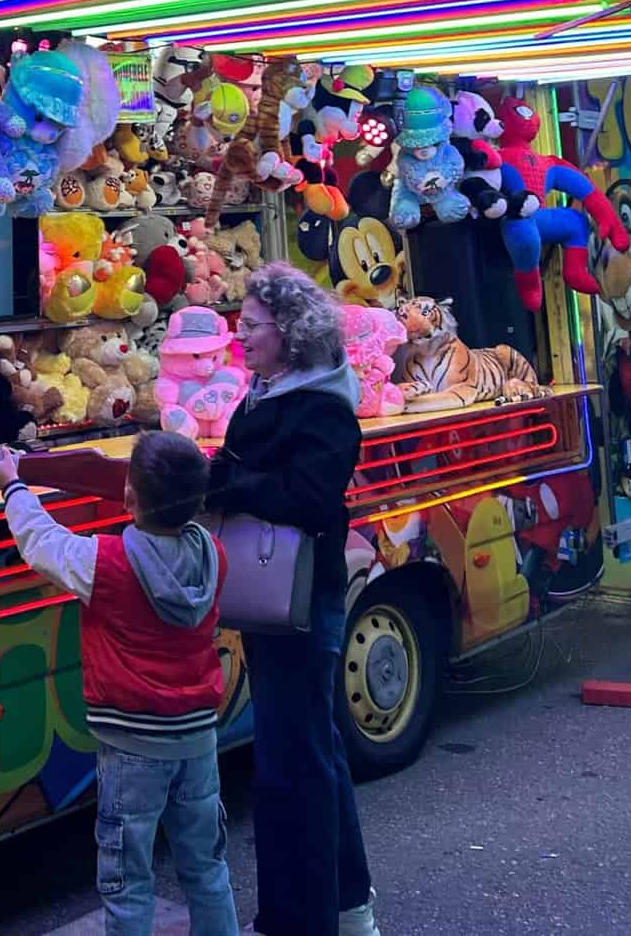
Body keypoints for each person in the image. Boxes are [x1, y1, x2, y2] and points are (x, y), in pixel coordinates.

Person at [0, 431, 240, 936]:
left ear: (129, 496)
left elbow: (42, 543)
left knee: (128, 880)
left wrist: (12, 486)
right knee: (206, 868)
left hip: (132, 748)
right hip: (197, 738)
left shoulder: (107, 564)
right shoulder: (213, 555)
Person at [206, 261, 380, 936]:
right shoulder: (270, 388)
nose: (239, 335)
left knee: (290, 763)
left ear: (288, 330)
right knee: (316, 748)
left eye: (251, 324)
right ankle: (348, 903)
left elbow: (310, 498)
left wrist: (232, 485)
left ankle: (298, 919)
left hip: (303, 596)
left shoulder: (322, 404)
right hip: (273, 592)